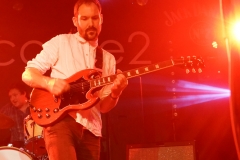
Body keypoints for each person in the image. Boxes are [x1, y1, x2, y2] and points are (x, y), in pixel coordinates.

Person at [21, 0, 128, 160]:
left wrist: (116, 93)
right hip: (60, 122)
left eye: (94, 18)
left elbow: (104, 107)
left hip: (92, 130)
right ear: (75, 21)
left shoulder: (108, 59)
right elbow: (28, 74)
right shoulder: (61, 42)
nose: (90, 23)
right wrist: (49, 83)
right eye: (84, 19)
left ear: (101, 19)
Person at [0, 82, 30, 148]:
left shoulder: (35, 106)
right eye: (10, 97)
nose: (12, 99)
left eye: (15, 95)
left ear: (24, 93)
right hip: (15, 149)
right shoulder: (8, 109)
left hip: (35, 146)